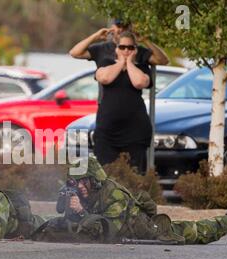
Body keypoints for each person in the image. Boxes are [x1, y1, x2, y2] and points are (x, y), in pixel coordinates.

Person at [32, 157, 227, 245]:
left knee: (198, 232)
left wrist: (81, 213)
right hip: (127, 230)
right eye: (75, 183)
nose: (80, 187)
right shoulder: (83, 194)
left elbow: (108, 231)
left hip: (149, 229)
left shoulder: (114, 194)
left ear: (94, 180)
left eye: (83, 182)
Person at [70, 21, 169, 172]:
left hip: (135, 131)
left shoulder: (141, 63)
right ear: (116, 48)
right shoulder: (104, 58)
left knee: (135, 177)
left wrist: (130, 61)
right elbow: (103, 76)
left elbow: (141, 81)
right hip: (108, 131)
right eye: (122, 47)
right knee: (105, 175)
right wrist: (97, 37)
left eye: (130, 48)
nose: (126, 50)